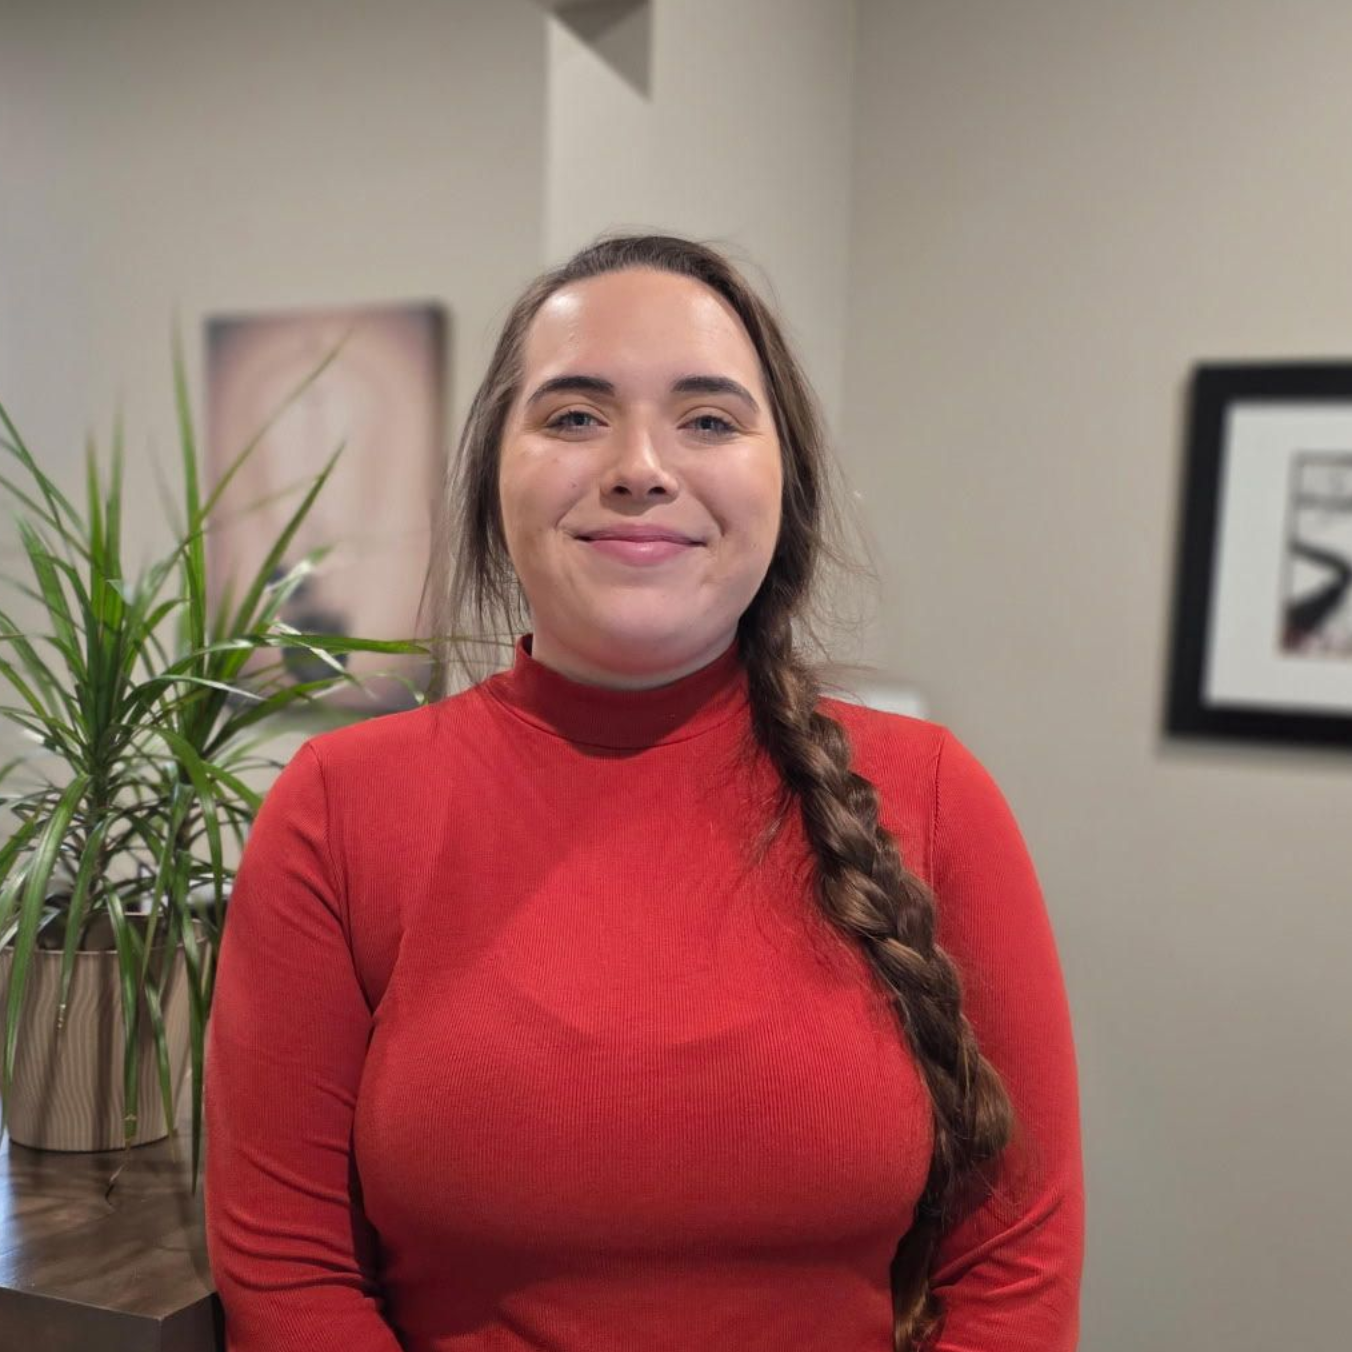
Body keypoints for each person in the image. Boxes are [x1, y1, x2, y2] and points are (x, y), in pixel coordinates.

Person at [204, 232, 1084, 1352]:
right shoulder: (339, 809)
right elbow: (288, 1275)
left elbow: (1012, 1270)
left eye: (707, 419)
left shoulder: (937, 796)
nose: (639, 465)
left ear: (784, 484)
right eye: (573, 415)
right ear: (492, 478)